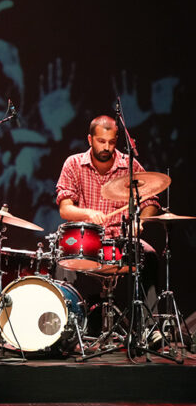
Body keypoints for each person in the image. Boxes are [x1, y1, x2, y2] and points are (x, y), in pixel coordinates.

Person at [55, 114, 159, 310]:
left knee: (149, 255)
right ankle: (66, 326)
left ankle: (147, 326)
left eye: (111, 142)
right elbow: (65, 209)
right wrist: (87, 214)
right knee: (63, 260)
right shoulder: (74, 164)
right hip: (88, 240)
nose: (106, 147)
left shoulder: (129, 166)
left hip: (121, 241)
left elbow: (151, 200)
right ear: (90, 139)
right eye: (101, 141)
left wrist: (141, 221)